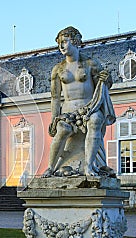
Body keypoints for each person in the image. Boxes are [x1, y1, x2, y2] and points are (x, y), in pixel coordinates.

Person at [42, 26, 116, 178]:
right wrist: (54, 118)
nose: (61, 46)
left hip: (89, 108)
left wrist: (107, 79)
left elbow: (102, 86)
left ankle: (89, 166)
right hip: (68, 112)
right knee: (62, 129)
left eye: (65, 41)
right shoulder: (58, 69)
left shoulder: (90, 63)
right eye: (59, 43)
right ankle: (50, 167)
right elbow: (55, 97)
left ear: (75, 41)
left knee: (95, 121)